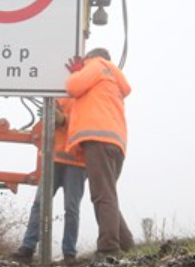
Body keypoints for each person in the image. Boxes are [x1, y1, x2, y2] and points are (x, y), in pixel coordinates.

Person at [64, 48, 133, 258]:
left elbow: (73, 87)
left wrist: (76, 72)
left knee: (102, 196)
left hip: (98, 139)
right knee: (107, 194)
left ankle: (108, 249)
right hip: (115, 142)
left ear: (89, 58)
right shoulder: (113, 76)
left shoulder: (96, 66)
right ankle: (127, 244)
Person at [11, 98, 87, 265]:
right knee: (40, 204)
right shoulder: (57, 95)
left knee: (71, 208)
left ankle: (68, 253)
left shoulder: (86, 97)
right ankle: (28, 248)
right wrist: (47, 119)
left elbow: (90, 123)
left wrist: (64, 119)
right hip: (54, 158)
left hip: (77, 161)